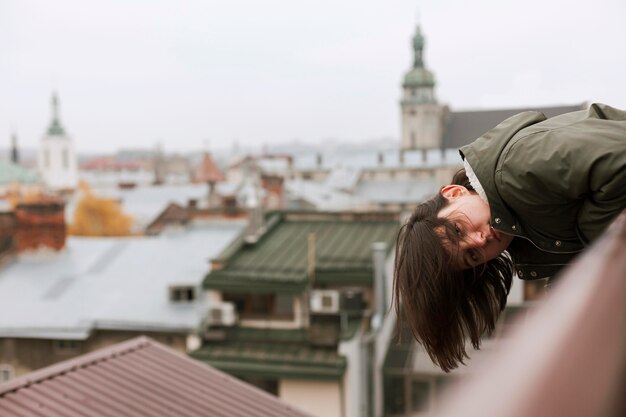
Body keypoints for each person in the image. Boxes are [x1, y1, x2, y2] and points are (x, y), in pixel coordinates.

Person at [393, 103, 626, 372]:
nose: (479, 241)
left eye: (458, 230)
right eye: (472, 256)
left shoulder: (516, 171)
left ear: (454, 193)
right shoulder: (524, 230)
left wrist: (592, 238)